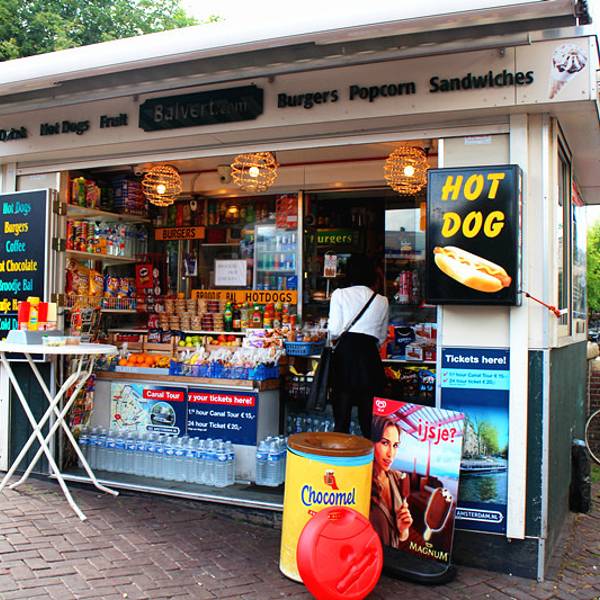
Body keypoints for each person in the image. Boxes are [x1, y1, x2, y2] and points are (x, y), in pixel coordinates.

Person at [328, 254, 388, 438]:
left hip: (345, 358)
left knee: (342, 417)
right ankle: (369, 454)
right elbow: (382, 336)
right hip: (369, 358)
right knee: (370, 421)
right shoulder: (382, 300)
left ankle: (342, 453)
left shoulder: (339, 294)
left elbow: (334, 330)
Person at [370, 416, 413, 548]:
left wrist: (403, 529)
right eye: (385, 443)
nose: (391, 453)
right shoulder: (362, 482)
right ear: (371, 442)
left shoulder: (397, 478)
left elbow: (402, 537)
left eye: (395, 445)